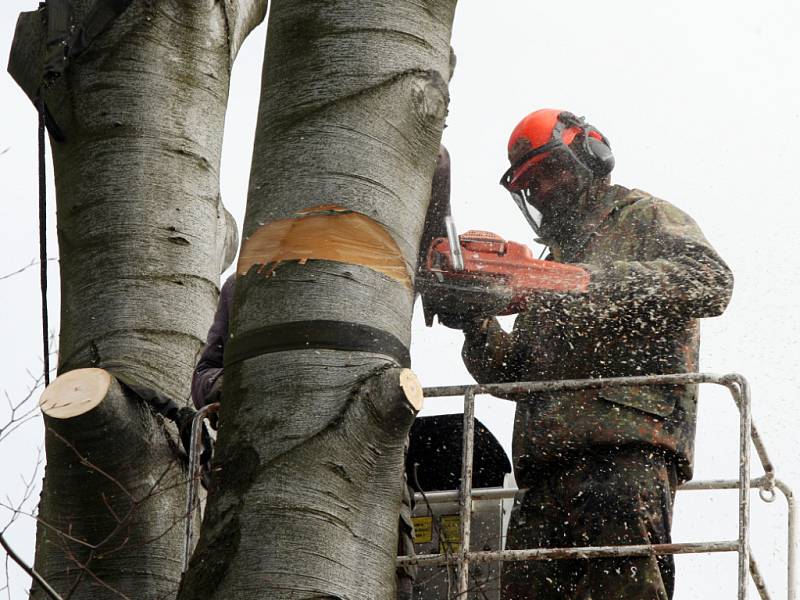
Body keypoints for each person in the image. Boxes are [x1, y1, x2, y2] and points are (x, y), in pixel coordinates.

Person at [450, 108, 733, 600]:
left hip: (625, 454)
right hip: (544, 473)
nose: (541, 190)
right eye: (529, 183)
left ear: (590, 155)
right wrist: (477, 315)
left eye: (549, 172)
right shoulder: (551, 262)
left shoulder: (642, 216)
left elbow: (711, 282)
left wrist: (587, 283)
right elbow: (513, 374)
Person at [191, 146, 452, 600]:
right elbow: (204, 377)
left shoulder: (379, 268)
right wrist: (257, 380)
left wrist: (420, 149)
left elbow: (435, 174)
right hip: (257, 470)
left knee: (395, 581)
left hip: (372, 466)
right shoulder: (245, 285)